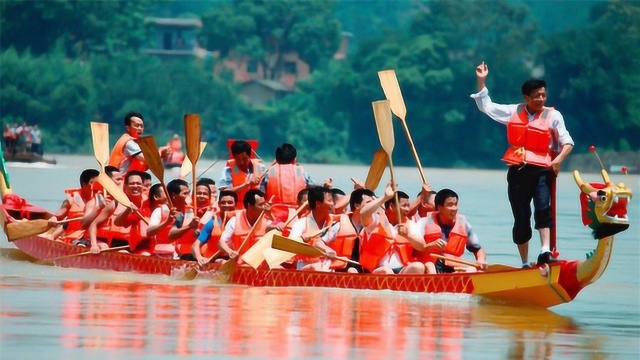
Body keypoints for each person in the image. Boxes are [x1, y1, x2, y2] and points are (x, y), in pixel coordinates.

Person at [471, 62, 574, 267]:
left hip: (542, 170)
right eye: (537, 96)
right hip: (517, 170)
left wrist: (558, 160)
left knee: (543, 208)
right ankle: (525, 263)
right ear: (526, 97)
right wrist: (481, 80)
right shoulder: (513, 112)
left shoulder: (553, 115)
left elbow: (568, 142)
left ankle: (545, 251)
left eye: (543, 95)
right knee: (521, 216)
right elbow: (487, 107)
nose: (541, 99)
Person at [415, 188, 487, 274]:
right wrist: (431, 245)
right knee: (429, 265)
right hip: (430, 269)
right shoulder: (424, 223)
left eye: (455, 204)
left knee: (472, 269)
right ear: (439, 207)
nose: (454, 208)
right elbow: (415, 248)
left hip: (454, 268)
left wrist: (480, 259)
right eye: (450, 205)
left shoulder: (464, 225)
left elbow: (477, 249)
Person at [218, 189, 270, 262]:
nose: (264, 207)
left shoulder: (268, 221)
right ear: (249, 205)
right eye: (260, 205)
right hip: (241, 264)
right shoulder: (234, 221)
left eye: (264, 204)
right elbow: (221, 242)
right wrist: (230, 252)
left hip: (260, 264)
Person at [263, 143, 314, 214]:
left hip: (273, 216)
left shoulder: (270, 173)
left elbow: (261, 193)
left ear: (276, 160)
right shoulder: (301, 172)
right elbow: (314, 191)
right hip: (298, 215)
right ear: (294, 159)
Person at [218, 140, 265, 209]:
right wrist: (246, 184)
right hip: (236, 209)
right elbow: (225, 193)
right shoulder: (228, 169)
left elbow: (266, 190)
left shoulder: (260, 167)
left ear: (249, 156)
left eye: (244, 159)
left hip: (255, 209)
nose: (241, 162)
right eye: (238, 159)